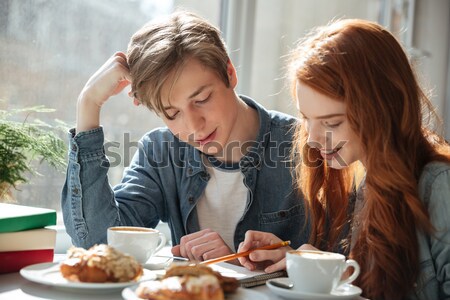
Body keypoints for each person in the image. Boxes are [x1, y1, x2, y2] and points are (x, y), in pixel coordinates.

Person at [61, 11, 309, 262]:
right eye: (172, 114)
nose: (193, 126)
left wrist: (237, 262)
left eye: (201, 99)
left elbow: (341, 264)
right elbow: (98, 246)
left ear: (230, 73)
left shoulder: (306, 144)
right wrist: (89, 103)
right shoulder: (160, 152)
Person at [237, 19, 450, 300]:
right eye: (306, 118)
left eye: (332, 123)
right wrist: (310, 266)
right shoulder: (367, 181)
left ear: (381, 110)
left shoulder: (439, 185)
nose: (312, 139)